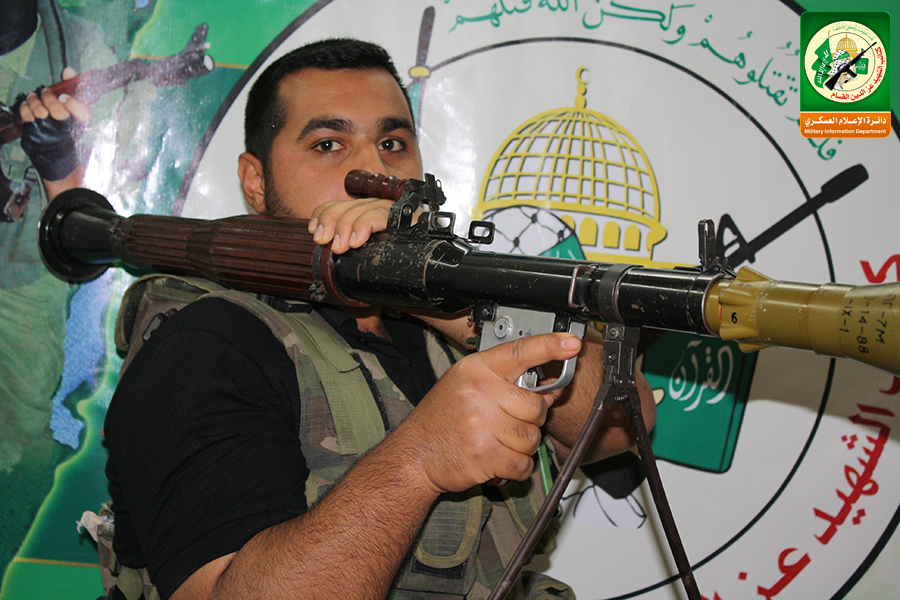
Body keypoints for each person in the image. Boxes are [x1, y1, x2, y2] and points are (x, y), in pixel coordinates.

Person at [103, 38, 656, 600]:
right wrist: (418, 461)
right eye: (328, 144)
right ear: (255, 181)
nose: (372, 169)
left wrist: (440, 298)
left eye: (392, 143)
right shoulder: (209, 344)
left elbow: (623, 421)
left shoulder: (448, 323)